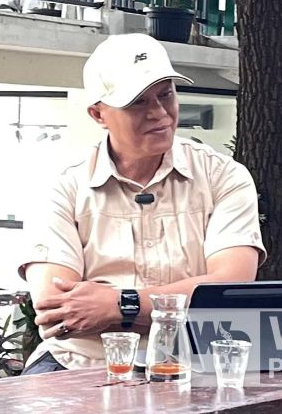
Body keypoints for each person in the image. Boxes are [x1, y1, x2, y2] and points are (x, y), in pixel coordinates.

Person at [18, 33, 266, 374]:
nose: (159, 113)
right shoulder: (62, 184)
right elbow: (59, 313)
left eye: (166, 94)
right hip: (77, 364)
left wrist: (120, 305)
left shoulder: (222, 175)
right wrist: (183, 304)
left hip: (192, 363)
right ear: (98, 114)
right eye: (138, 102)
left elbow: (229, 290)